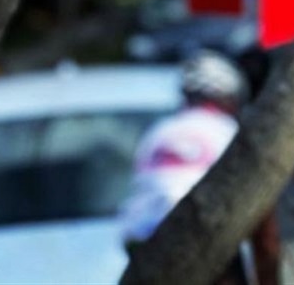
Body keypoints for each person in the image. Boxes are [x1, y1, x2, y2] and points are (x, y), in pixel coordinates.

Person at [120, 49, 280, 285]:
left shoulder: (157, 134)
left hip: (143, 243)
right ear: (229, 100)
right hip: (205, 240)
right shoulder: (231, 134)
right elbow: (264, 232)